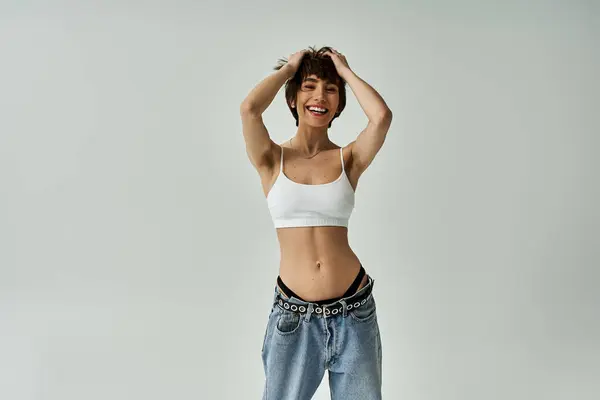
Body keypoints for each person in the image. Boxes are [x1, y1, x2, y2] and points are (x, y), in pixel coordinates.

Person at [240, 46, 393, 400]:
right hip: (294, 320)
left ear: (339, 104)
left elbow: (381, 117)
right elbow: (249, 109)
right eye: (309, 86)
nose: (320, 96)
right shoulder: (270, 158)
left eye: (330, 89)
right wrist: (290, 68)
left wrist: (345, 70)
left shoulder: (348, 159)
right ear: (293, 98)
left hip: (354, 313)